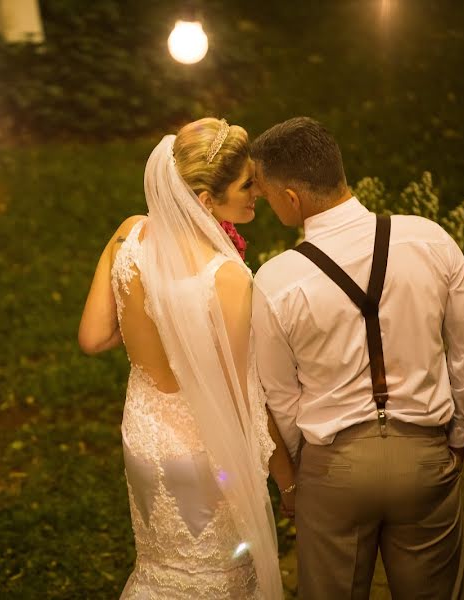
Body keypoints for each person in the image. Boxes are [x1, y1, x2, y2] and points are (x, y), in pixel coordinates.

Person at [250, 117, 464, 600]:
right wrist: (458, 437)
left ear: (292, 199)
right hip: (424, 455)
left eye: (266, 192)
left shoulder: (275, 280)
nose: (262, 200)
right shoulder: (428, 239)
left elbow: (280, 394)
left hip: (334, 469)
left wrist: (306, 471)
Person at [79, 117, 294, 599]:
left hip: (143, 436)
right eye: (246, 184)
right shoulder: (227, 278)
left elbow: (93, 337)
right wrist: (287, 479)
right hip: (205, 453)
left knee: (159, 569)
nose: (257, 190)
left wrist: (141, 326)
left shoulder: (129, 235)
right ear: (204, 202)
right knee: (217, 577)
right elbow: (247, 401)